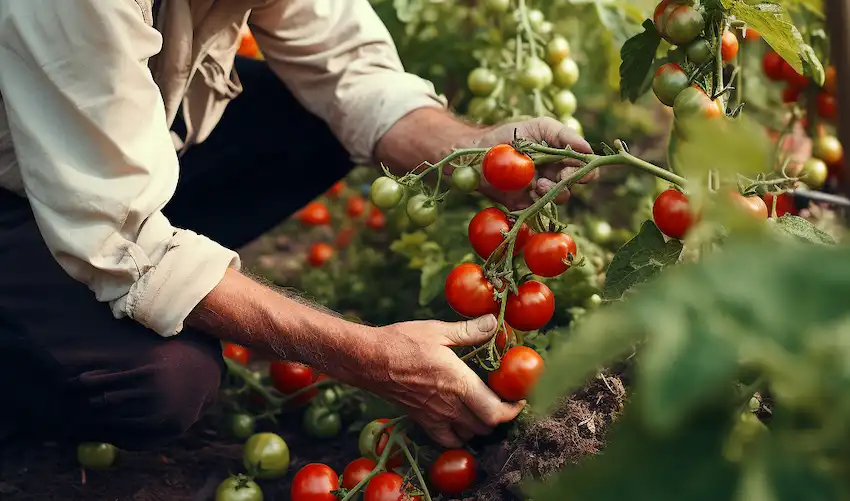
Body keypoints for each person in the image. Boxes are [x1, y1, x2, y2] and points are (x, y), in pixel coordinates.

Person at [0, 0, 594, 450]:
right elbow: (125, 242)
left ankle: (189, 279)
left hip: (110, 149)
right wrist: (373, 358)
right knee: (165, 382)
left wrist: (474, 151)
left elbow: (352, 75)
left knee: (309, 121)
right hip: (23, 185)